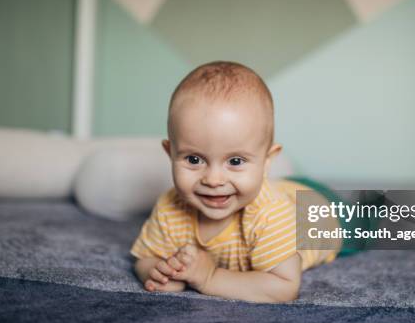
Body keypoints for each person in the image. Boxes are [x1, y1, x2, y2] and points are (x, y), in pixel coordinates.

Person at [130, 61, 342, 303]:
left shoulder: (270, 215)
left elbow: (283, 287)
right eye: (194, 159)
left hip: (321, 210)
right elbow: (145, 258)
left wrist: (210, 277)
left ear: (267, 160)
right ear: (170, 153)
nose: (213, 180)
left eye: (236, 161)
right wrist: (160, 272)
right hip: (282, 188)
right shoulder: (170, 208)